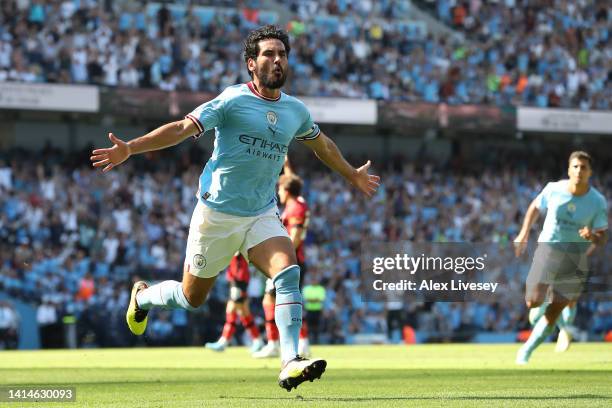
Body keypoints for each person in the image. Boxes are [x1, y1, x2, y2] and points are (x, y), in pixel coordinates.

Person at [90, 25, 380, 391]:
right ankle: (143, 296)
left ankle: (290, 360)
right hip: (217, 214)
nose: (277, 60)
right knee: (191, 298)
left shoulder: (295, 110)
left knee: (288, 271)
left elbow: (321, 145)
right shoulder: (231, 101)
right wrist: (130, 148)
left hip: (261, 213)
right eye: (269, 54)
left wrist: (352, 174)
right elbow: (182, 127)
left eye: (282, 54)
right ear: (251, 64)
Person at [514, 151, 608, 364]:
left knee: (557, 308)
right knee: (532, 302)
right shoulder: (553, 189)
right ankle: (562, 323)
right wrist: (523, 233)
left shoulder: (597, 201)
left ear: (590, 172)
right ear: (568, 169)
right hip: (548, 251)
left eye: (584, 167)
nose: (579, 171)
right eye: (575, 166)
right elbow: (535, 207)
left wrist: (592, 236)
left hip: (575, 257)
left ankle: (526, 352)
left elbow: (602, 238)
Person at [254, 158, 312, 358]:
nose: (278, 192)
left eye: (280, 189)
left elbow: (294, 237)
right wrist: (286, 162)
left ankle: (273, 343)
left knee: (270, 299)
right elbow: (290, 180)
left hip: (287, 261)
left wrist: (282, 258)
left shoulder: (295, 208)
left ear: (287, 191)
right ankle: (301, 342)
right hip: (294, 259)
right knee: (290, 299)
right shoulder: (299, 203)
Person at [205, 253, 264, 352]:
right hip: (238, 279)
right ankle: (257, 340)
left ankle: (223, 342)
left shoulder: (236, 242)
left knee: (232, 310)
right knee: (243, 313)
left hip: (239, 279)